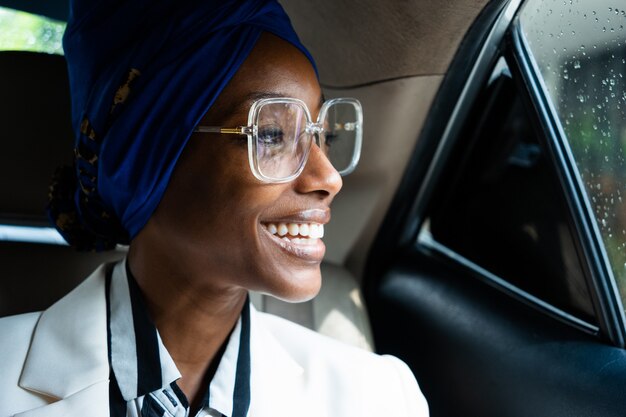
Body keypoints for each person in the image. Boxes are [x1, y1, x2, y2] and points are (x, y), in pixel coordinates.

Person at [0, 0, 429, 416]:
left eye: (322, 138)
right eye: (271, 135)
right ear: (148, 156)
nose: (329, 178)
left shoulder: (381, 397)